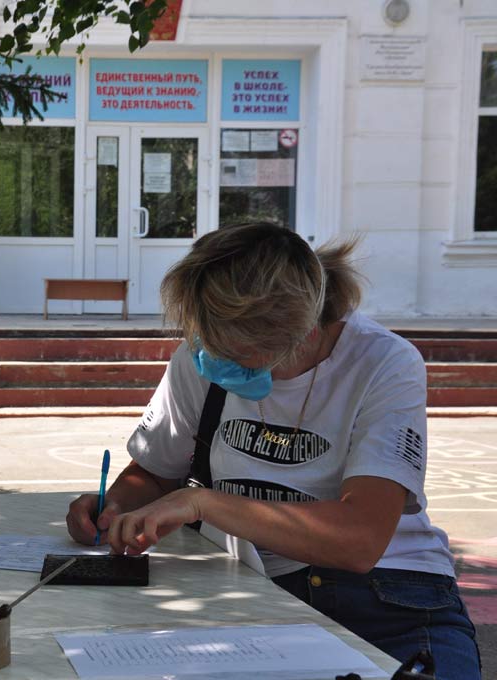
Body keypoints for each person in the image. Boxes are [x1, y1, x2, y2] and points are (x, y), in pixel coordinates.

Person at [66, 223, 480, 679]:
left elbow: (360, 541)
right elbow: (155, 473)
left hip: (389, 597)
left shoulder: (383, 363)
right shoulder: (202, 355)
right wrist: (115, 507)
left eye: (236, 353)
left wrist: (201, 502)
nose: (211, 358)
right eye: (204, 340)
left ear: (299, 334)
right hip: (255, 588)